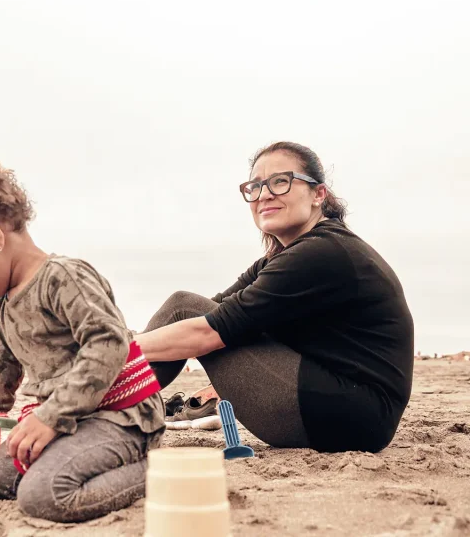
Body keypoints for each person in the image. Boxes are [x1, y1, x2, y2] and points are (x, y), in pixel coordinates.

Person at [0, 158, 165, 523]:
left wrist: (50, 416)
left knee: (45, 496)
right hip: (71, 423)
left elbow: (107, 344)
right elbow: (0, 370)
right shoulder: (4, 307)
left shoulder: (63, 278)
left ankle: (159, 470)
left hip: (120, 417)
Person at [134, 142, 414, 453]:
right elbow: (216, 309)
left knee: (182, 306)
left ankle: (99, 404)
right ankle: (108, 404)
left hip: (347, 414)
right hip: (348, 414)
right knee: (185, 310)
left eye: (280, 181)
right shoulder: (288, 257)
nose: (264, 194)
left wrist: (118, 346)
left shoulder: (321, 252)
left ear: (318, 194)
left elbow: (203, 326)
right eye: (255, 186)